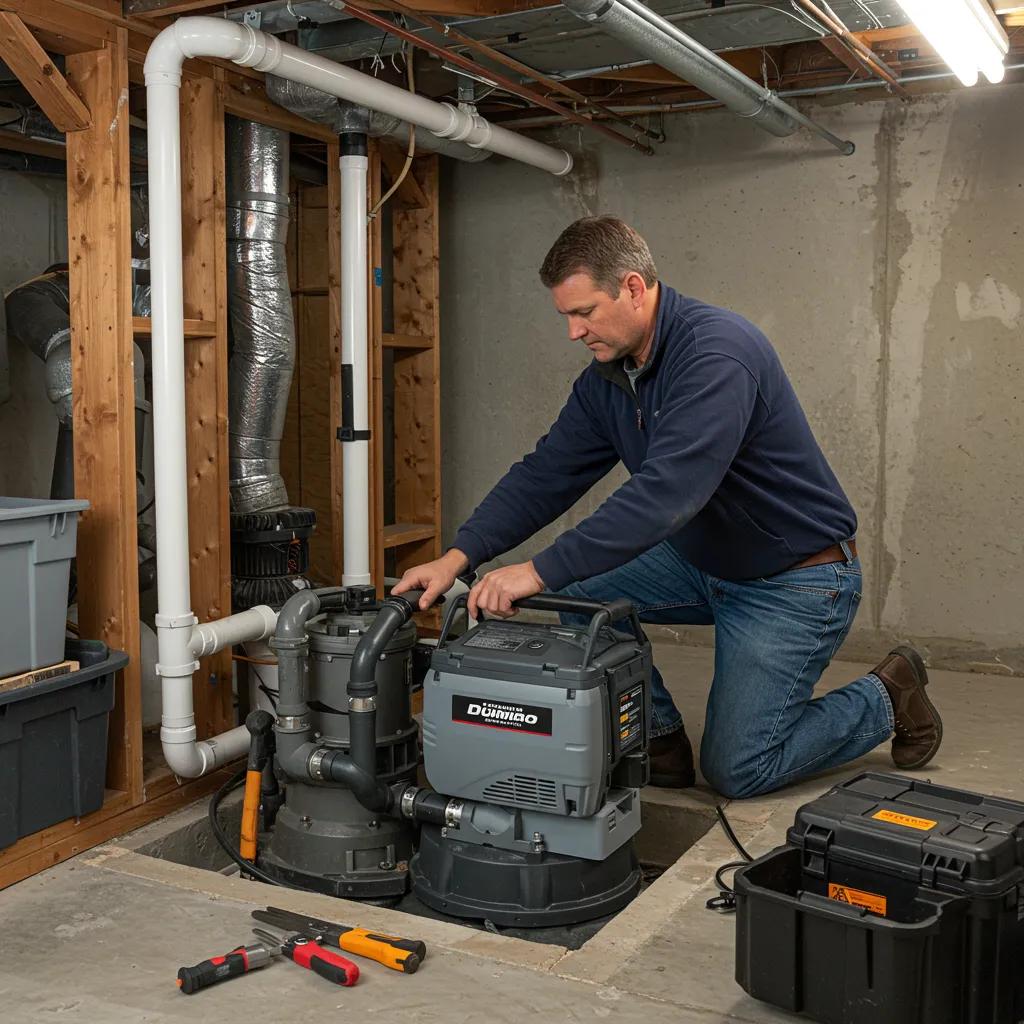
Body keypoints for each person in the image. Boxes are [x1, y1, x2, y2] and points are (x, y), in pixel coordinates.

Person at [393, 216, 942, 799]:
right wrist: (458, 555)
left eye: (585, 312)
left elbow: (666, 495)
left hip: (795, 578)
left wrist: (534, 568)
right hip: (704, 561)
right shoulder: (611, 377)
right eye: (566, 317)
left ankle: (888, 695)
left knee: (740, 769)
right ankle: (657, 740)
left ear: (633, 287)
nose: (574, 333)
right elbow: (546, 473)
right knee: (577, 592)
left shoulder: (717, 355)